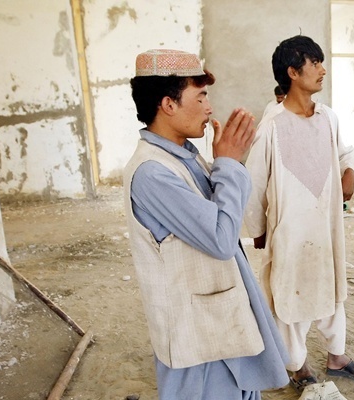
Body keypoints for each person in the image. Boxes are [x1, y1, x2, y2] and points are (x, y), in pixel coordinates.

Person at [124, 49, 289, 400]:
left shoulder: (180, 154)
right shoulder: (152, 172)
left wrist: (224, 164)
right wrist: (227, 163)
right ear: (169, 104)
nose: (209, 107)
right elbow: (220, 238)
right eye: (200, 96)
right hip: (195, 336)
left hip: (216, 323)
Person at [243, 35, 354, 392]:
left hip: (327, 227)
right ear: (293, 72)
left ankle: (337, 356)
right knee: (291, 295)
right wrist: (258, 229)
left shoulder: (328, 118)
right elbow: (253, 183)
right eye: (315, 63)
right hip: (291, 230)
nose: (322, 70)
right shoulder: (271, 127)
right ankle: (297, 366)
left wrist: (349, 174)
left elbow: (345, 153)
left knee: (331, 288)